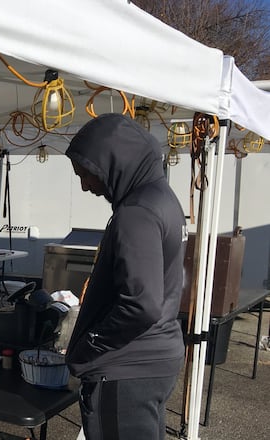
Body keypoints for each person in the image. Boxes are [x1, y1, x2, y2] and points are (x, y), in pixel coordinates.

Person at [64, 113, 187, 440]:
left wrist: (87, 346)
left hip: (126, 369)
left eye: (86, 174)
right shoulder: (162, 199)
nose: (85, 185)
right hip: (154, 360)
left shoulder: (136, 212)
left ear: (112, 162)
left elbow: (142, 305)